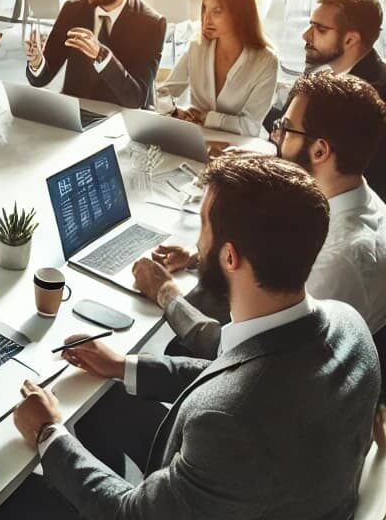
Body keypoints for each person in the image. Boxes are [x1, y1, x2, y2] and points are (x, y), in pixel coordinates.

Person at [0, 154, 379, 520]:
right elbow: (239, 361)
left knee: (8, 502)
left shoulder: (236, 422)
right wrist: (125, 367)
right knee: (106, 402)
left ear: (231, 257)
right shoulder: (343, 322)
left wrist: (52, 433)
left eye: (204, 226)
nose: (197, 236)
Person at [135, 71, 386, 358]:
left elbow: (244, 356)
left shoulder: (335, 263)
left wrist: (165, 292)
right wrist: (203, 256)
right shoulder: (364, 200)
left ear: (320, 150)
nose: (276, 137)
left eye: (287, 130)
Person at [265, 0, 386, 197]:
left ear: (350, 40)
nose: (305, 35)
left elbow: (349, 178)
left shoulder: (373, 99)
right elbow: (288, 128)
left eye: (320, 29)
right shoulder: (319, 71)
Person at [25, 0, 165, 108]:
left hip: (122, 121)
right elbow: (42, 79)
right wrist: (37, 62)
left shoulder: (151, 24)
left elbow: (136, 99)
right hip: (75, 116)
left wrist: (101, 55)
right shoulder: (73, 11)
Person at [155, 0, 278, 137]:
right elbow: (164, 93)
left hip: (239, 146)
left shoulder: (266, 61)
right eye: (205, 9)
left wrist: (206, 118)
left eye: (217, 11)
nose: (206, 19)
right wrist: (174, 112)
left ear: (239, 15)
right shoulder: (196, 47)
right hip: (195, 137)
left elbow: (251, 126)